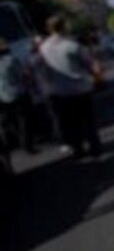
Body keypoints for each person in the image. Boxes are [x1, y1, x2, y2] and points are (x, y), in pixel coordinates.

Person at [37, 16, 102, 159]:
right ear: (64, 27)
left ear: (49, 29)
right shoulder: (72, 45)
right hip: (79, 88)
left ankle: (77, 148)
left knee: (69, 122)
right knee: (87, 120)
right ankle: (94, 146)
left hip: (58, 91)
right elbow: (89, 63)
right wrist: (97, 75)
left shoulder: (43, 48)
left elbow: (43, 69)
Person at [0, 38, 37, 154]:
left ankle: (17, 141)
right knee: (25, 120)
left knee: (12, 121)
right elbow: (21, 75)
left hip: (4, 96)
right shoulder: (11, 60)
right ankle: (27, 144)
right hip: (18, 92)